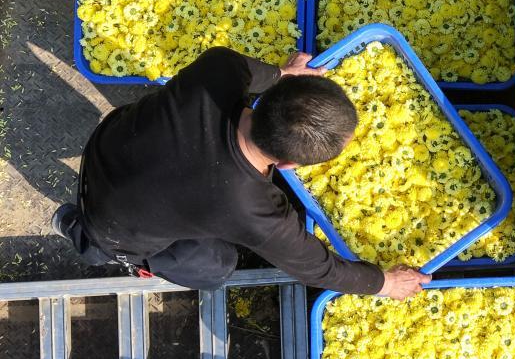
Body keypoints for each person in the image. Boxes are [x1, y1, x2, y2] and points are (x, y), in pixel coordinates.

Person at [52, 46, 429, 299]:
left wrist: (283, 71)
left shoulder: (218, 72)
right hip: (113, 228)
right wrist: (387, 283)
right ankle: (78, 232)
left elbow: (253, 72)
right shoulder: (251, 212)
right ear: (289, 166)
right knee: (216, 267)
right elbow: (318, 269)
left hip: (107, 145)